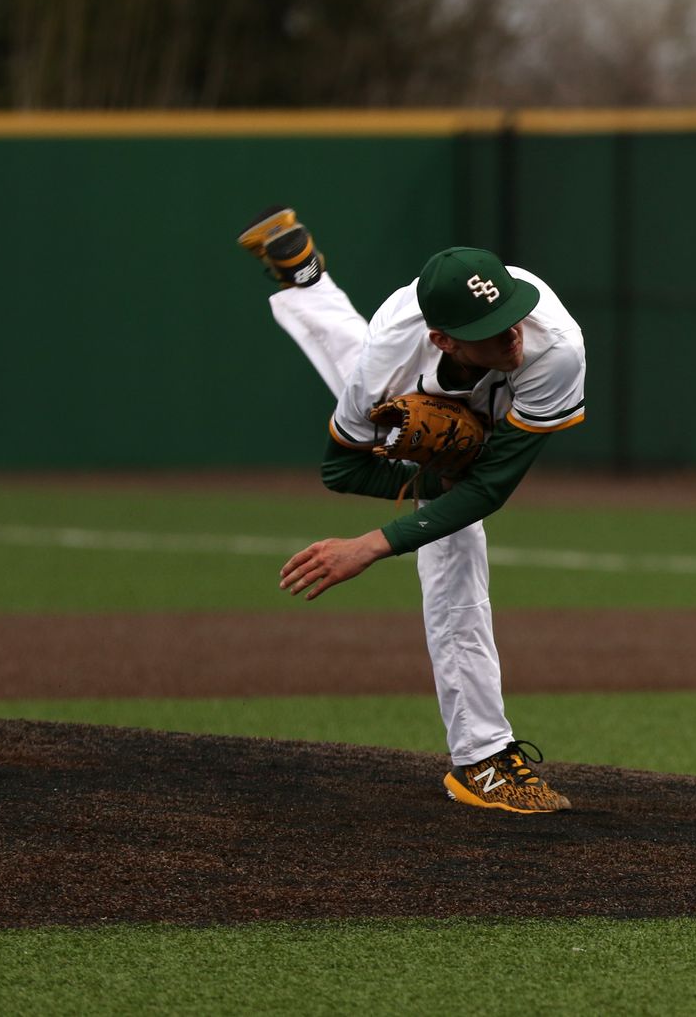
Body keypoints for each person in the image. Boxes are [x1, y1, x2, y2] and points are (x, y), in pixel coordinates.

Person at [239, 206, 587, 812]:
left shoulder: (552, 345)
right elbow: (341, 470)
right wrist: (436, 478)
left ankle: (306, 279)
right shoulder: (389, 362)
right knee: (455, 543)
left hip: (465, 379)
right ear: (444, 339)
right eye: (490, 329)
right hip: (403, 355)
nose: (511, 334)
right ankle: (481, 759)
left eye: (510, 315)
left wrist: (373, 543)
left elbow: (490, 487)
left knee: (460, 498)